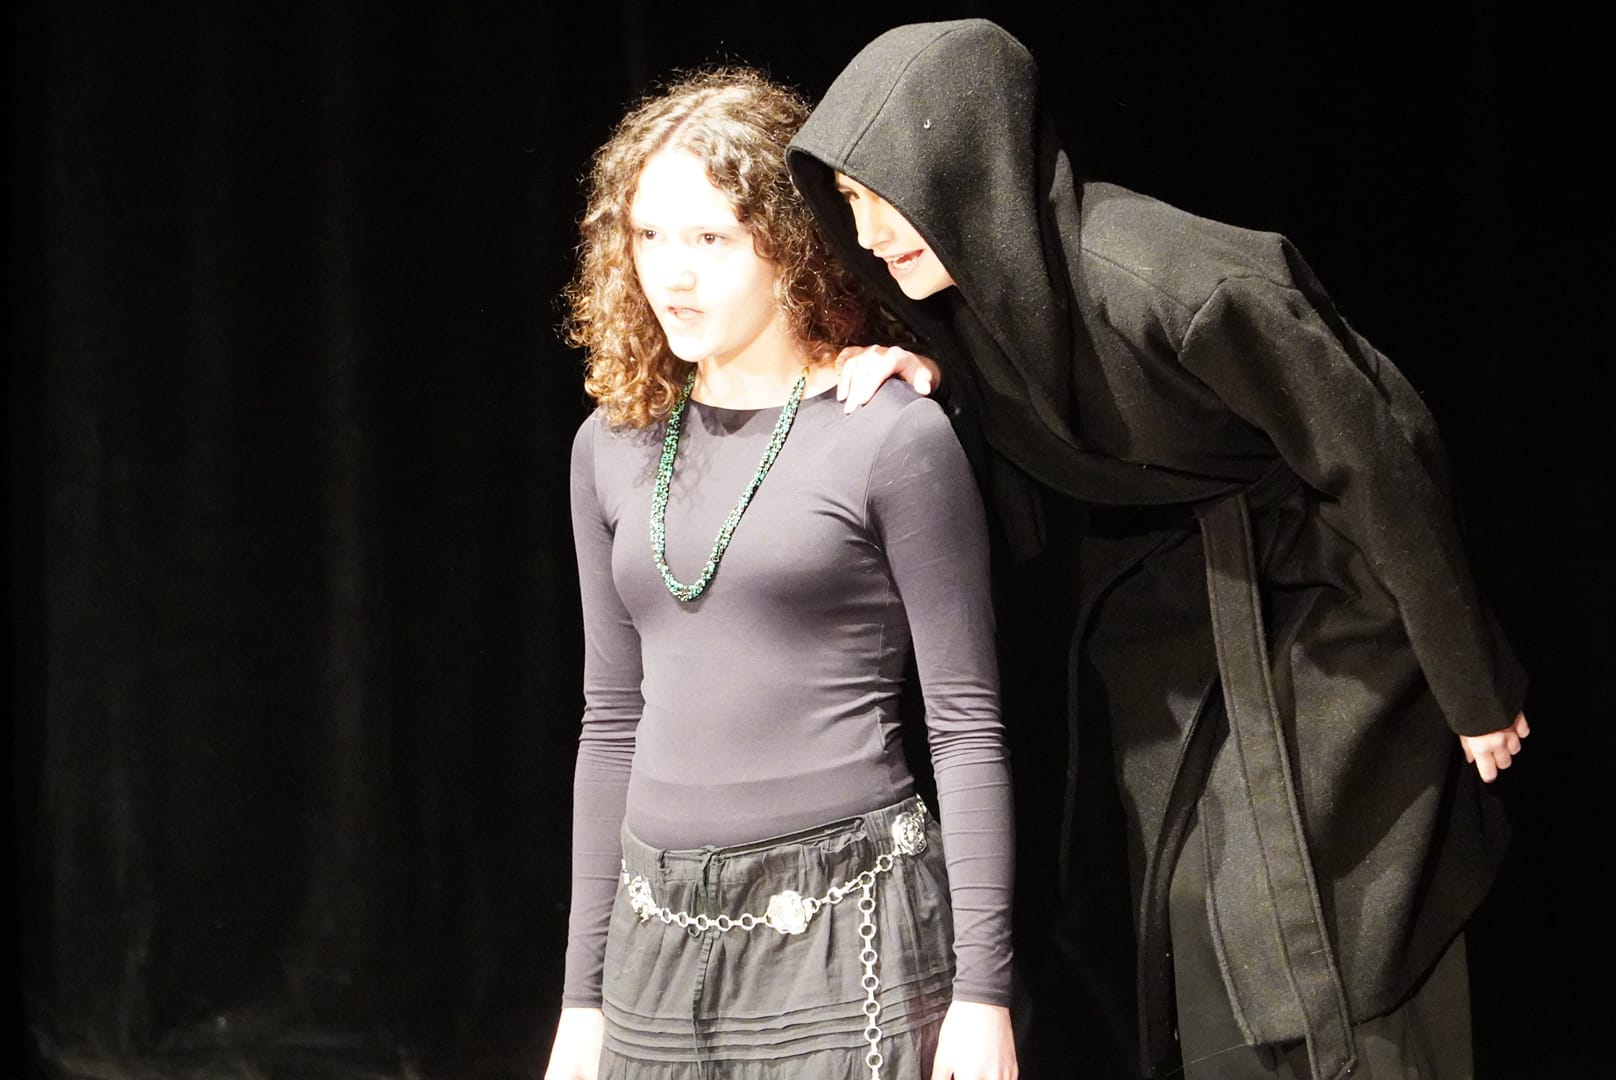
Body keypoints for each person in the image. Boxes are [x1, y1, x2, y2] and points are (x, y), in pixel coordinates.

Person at [786, 19, 1529, 1080]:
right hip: (1175, 622)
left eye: (883, 194)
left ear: (964, 168)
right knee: (1199, 921)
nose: (867, 234)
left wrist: (1469, 681)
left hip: (1336, 604)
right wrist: (936, 387)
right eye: (848, 202)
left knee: (1343, 926)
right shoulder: (969, 316)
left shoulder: (1172, 282)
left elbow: (1379, 451)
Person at [543, 68, 1019, 1080]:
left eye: (709, 239)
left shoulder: (887, 433)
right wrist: (582, 1000)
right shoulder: (610, 445)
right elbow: (611, 719)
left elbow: (966, 722)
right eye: (648, 236)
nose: (671, 274)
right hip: (655, 940)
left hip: (846, 924)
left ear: (788, 241)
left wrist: (984, 994)